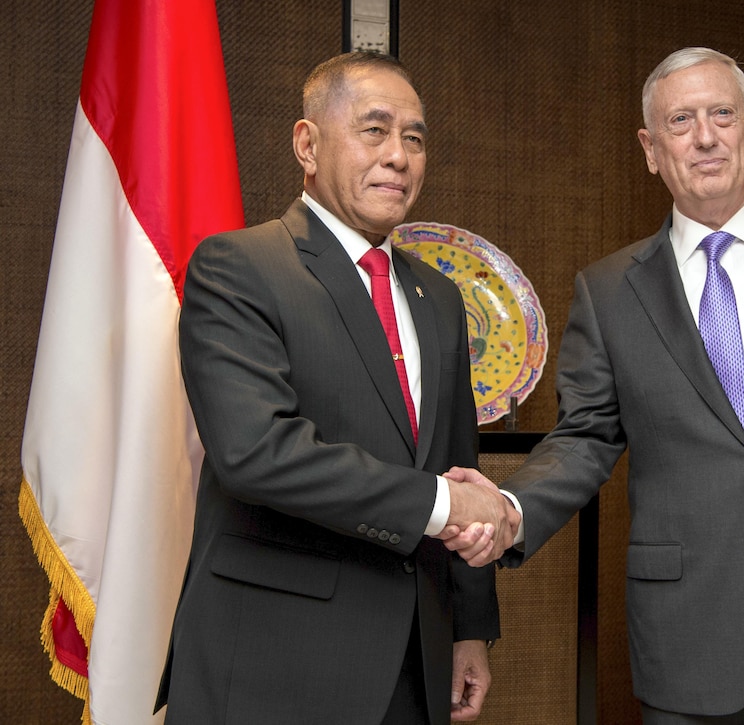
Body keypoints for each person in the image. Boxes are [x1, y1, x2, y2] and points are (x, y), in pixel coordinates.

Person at [442, 47, 744, 724]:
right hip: (686, 632)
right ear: (651, 148)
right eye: (681, 120)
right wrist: (510, 507)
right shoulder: (609, 290)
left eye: (722, 114)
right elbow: (585, 437)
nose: (705, 136)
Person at [155, 51, 519, 724]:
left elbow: (456, 460)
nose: (400, 156)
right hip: (275, 663)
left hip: (416, 660)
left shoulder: (438, 295)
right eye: (374, 130)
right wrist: (442, 502)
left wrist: (470, 625)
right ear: (308, 144)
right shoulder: (238, 266)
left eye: (414, 137)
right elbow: (256, 450)